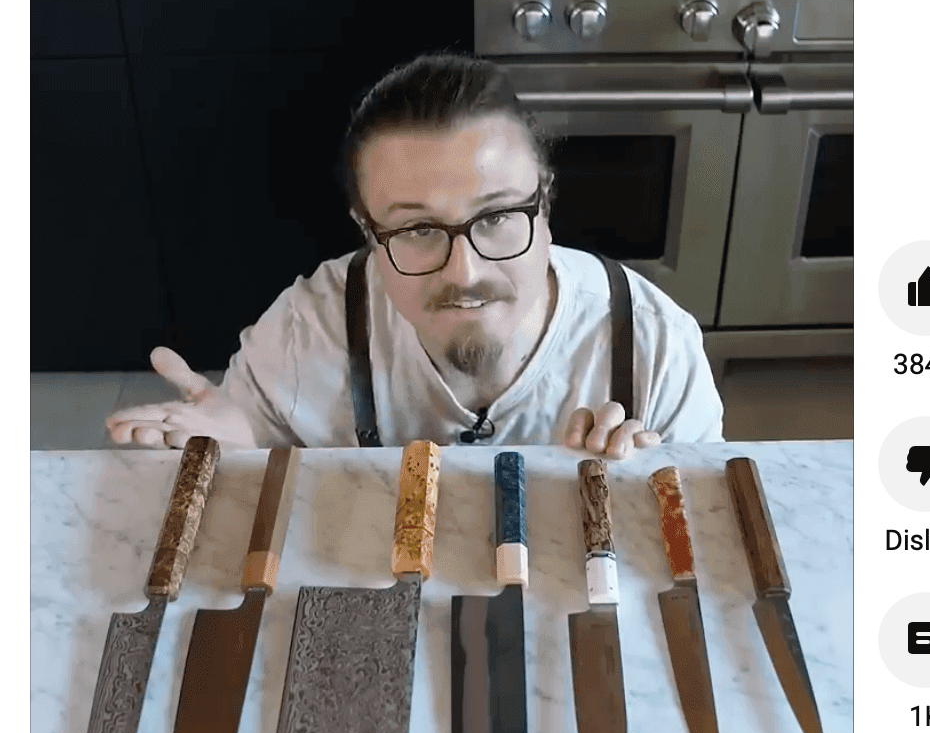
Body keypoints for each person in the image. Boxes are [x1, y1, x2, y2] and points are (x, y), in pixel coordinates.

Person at [107, 55, 723, 457]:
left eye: (498, 217)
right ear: (367, 232)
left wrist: (645, 497)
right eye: (418, 229)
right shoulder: (306, 333)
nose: (466, 273)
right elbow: (248, 460)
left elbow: (704, 530)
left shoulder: (653, 351)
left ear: (547, 202)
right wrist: (232, 449)